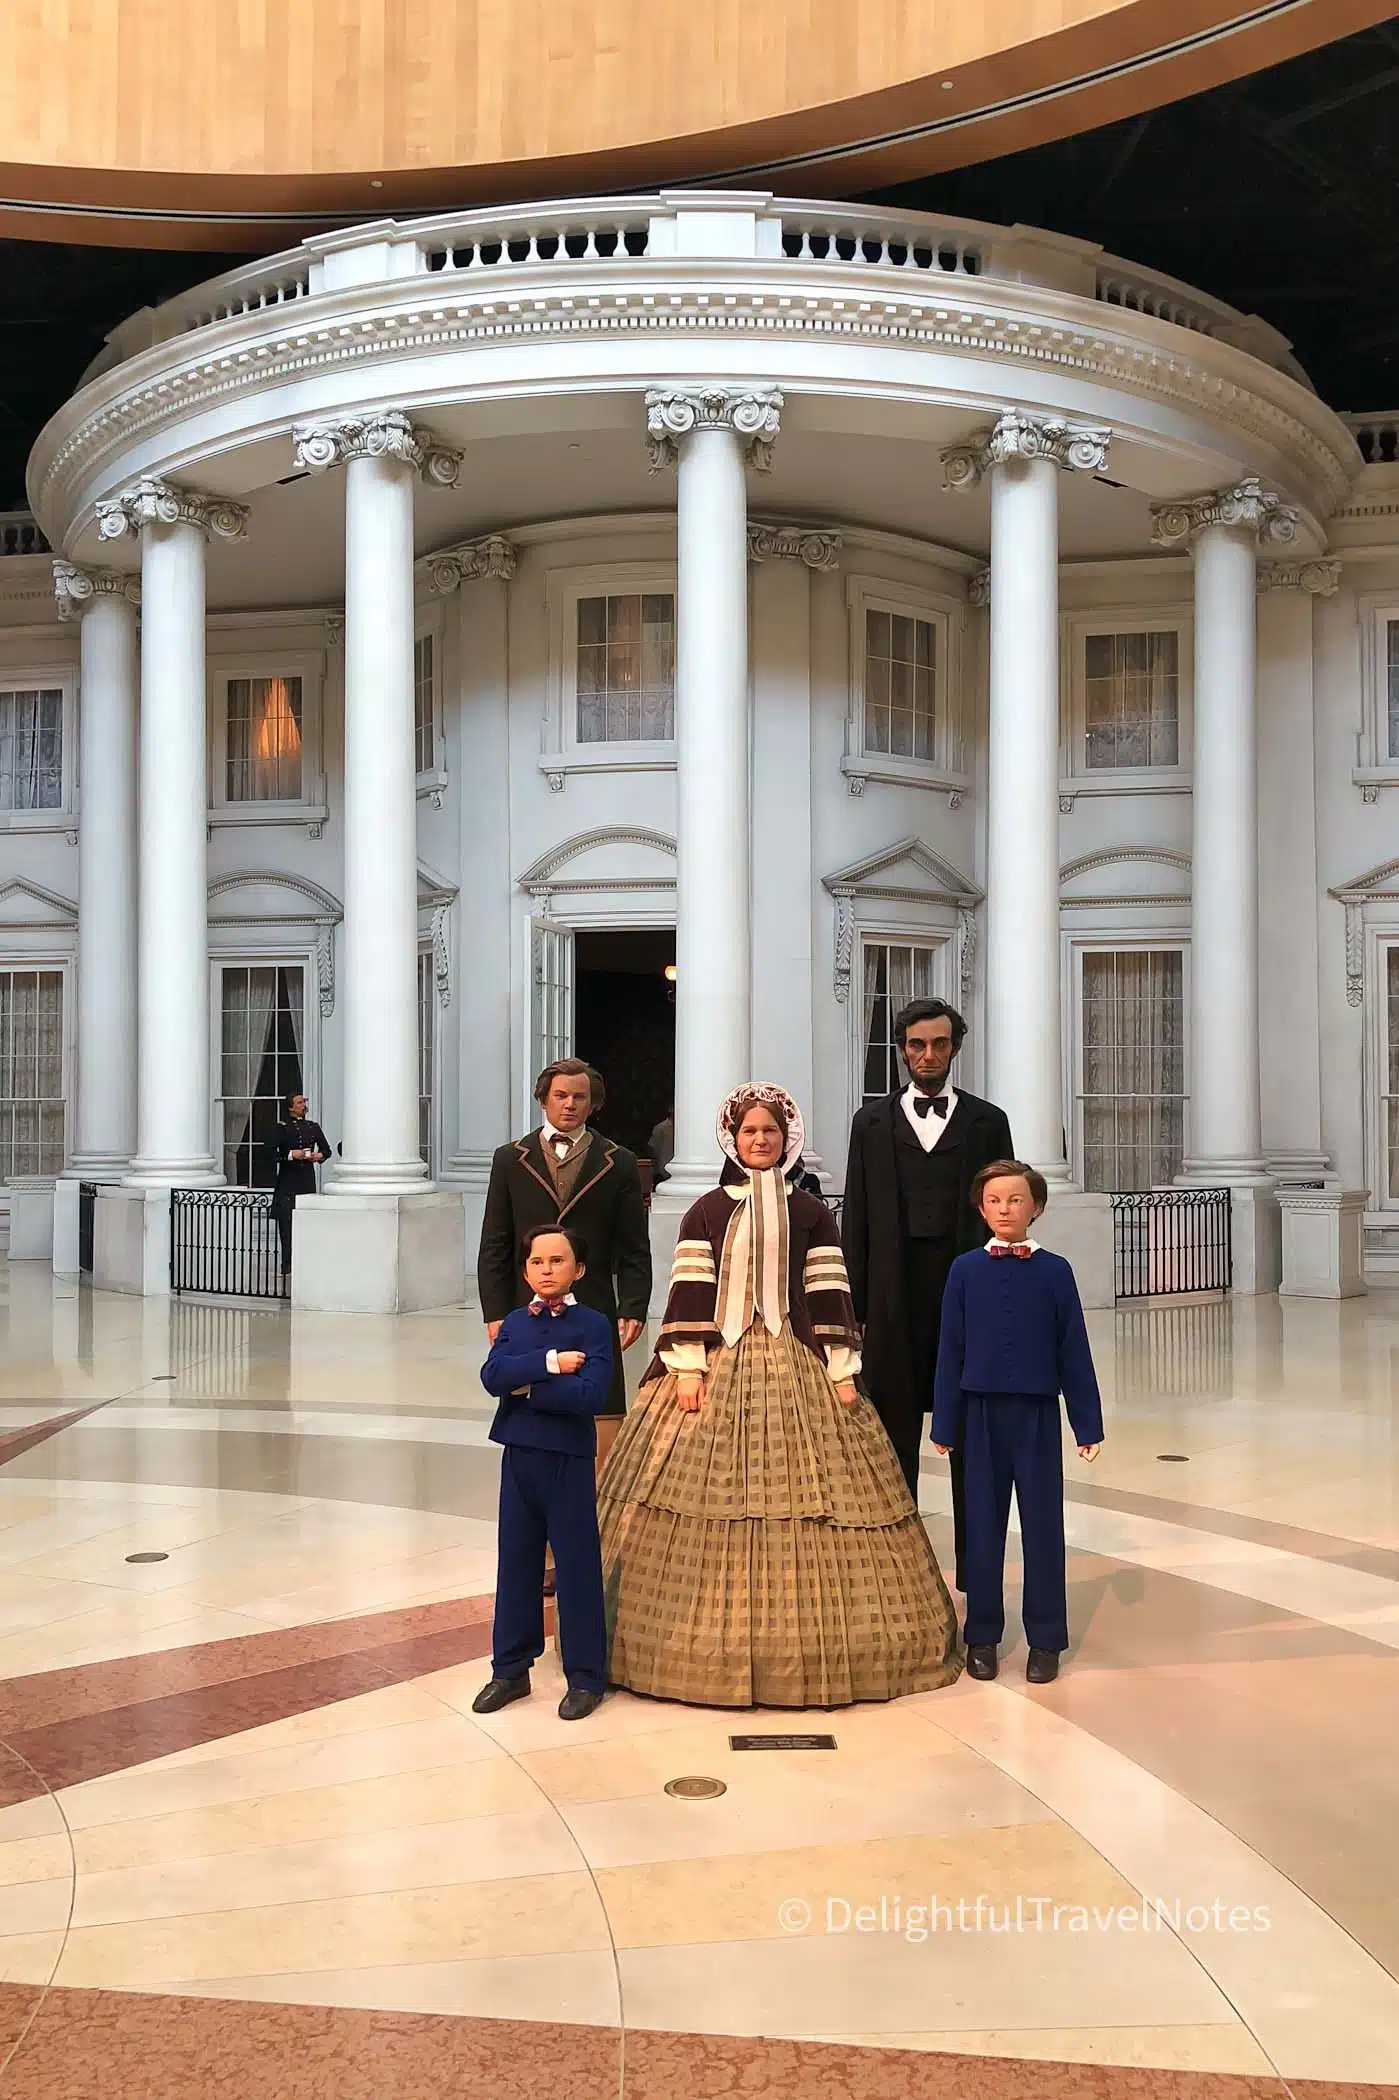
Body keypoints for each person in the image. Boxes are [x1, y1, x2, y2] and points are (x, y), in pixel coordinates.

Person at [597, 1084, 962, 1708]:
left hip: (797, 1355)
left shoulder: (813, 1212)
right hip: (717, 1358)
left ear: (786, 1138)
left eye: (769, 1131)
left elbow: (829, 1288)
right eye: (748, 1133)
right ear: (731, 1140)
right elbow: (690, 1288)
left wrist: (842, 1366)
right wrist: (687, 1364)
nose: (759, 1141)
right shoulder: (706, 1210)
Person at [842, 999, 1014, 1585]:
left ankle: (977, 1576)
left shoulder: (989, 1122)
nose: (928, 1055)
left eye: (939, 1044)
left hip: (968, 1302)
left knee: (973, 1441)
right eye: (917, 1045)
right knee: (893, 1440)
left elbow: (1005, 1214)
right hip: (893, 1304)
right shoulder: (870, 1124)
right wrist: (853, 1313)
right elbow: (857, 1223)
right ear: (902, 1049)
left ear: (955, 1049)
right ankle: (901, 1577)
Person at [932, 1161, 1104, 1686]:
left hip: (1035, 1415)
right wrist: (945, 1422)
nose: (1005, 1210)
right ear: (980, 1208)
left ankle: (1047, 1638)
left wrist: (1086, 1423)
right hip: (979, 1415)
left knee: (1043, 1527)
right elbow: (950, 1347)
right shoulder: (964, 1269)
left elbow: (1073, 1346)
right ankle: (981, 1635)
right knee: (981, 1527)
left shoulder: (1056, 1271)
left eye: (1015, 1200)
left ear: (1037, 1207)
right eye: (994, 1201)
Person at [478, 1059, 652, 1478]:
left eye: (579, 1097)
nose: (569, 1104)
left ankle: (595, 1511)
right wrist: (495, 1310)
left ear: (593, 1104)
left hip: (592, 1305)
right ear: (543, 1100)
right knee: (532, 1394)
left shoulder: (619, 1161)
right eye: (560, 1096)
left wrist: (633, 1305)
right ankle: (538, 1508)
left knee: (599, 1402)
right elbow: (495, 1242)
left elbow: (633, 1245)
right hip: (527, 1306)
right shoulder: (509, 1159)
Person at [472, 1227, 614, 1721]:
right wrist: (552, 1364)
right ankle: (510, 1669)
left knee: (576, 1567)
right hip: (519, 1456)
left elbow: (592, 1395)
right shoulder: (514, 1321)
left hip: (568, 1459)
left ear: (579, 1270)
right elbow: (492, 1377)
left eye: (558, 1261)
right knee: (516, 1564)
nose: (546, 1270)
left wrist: (529, 1388)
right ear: (527, 1269)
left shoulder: (594, 1325)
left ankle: (585, 1676)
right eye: (537, 1261)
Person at [269, 1094, 332, 1277]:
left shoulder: (313, 1127)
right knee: (286, 1224)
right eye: (299, 1103)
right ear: (290, 1107)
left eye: (304, 1102)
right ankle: (287, 1263)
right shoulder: (282, 1128)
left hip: (306, 1179)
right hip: (288, 1181)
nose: (303, 1105)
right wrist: (290, 1155)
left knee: (306, 1223)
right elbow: (269, 1153)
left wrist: (319, 1156)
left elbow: (326, 1149)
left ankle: (306, 1261)